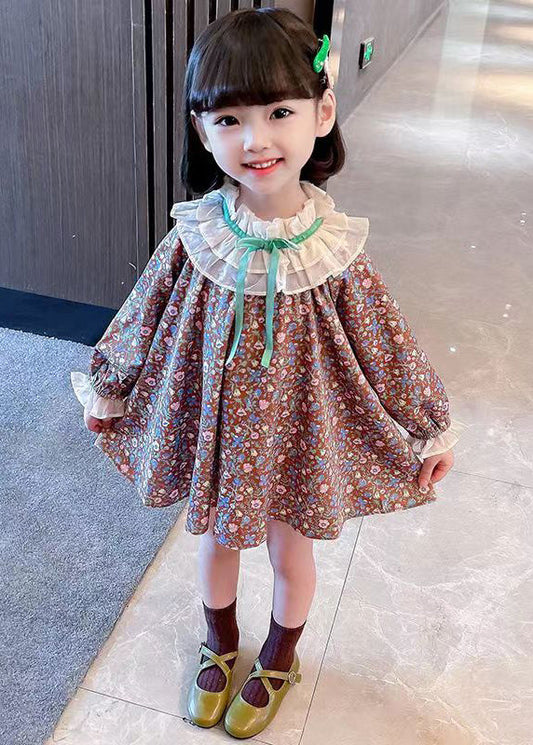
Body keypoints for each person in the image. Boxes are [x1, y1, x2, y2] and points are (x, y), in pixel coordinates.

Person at [70, 7, 468, 739]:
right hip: (218, 430)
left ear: (321, 113)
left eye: (279, 112)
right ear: (202, 132)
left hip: (298, 430)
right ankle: (219, 641)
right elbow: (142, 311)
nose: (255, 140)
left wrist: (428, 426)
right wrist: (110, 384)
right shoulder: (197, 234)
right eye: (229, 119)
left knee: (291, 545)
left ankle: (280, 653)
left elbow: (387, 345)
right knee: (215, 538)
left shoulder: (336, 250)